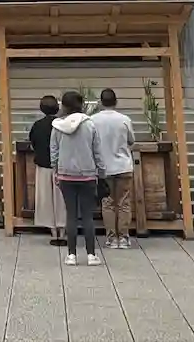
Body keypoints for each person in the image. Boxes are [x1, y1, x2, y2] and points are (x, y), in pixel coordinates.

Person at [51, 90, 104, 266]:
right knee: (87, 215)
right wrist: (101, 172)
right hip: (87, 175)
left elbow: (54, 152)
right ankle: (91, 255)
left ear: (64, 105)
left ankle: (71, 255)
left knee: (71, 215)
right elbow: (97, 151)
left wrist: (55, 171)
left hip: (65, 175)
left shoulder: (57, 126)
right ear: (81, 105)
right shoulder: (90, 124)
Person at [91, 88, 137, 249]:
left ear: (100, 102)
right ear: (116, 102)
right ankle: (123, 238)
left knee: (107, 203)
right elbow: (131, 140)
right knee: (124, 203)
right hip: (123, 166)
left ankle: (111, 238)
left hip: (104, 167)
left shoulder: (93, 120)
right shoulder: (124, 119)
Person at [28, 95, 66, 245]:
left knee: (46, 198)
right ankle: (63, 229)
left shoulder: (37, 125)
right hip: (62, 166)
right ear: (57, 108)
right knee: (62, 198)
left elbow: (33, 143)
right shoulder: (63, 125)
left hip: (43, 165)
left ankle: (52, 230)